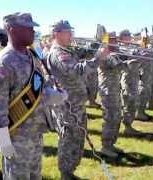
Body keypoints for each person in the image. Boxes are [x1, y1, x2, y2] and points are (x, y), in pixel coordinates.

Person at [0, 12, 66, 180]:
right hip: (15, 138)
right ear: (12, 30)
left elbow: (36, 88)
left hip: (35, 134)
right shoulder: (4, 62)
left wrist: (51, 95)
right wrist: (3, 141)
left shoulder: (32, 56)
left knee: (35, 176)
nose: (33, 31)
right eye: (28, 28)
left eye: (33, 28)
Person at [46, 20, 109, 179]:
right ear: (57, 34)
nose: (71, 35)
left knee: (77, 139)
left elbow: (84, 53)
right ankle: (65, 173)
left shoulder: (66, 50)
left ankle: (70, 171)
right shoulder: (58, 53)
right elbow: (75, 71)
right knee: (68, 140)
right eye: (68, 32)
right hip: (67, 107)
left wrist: (96, 43)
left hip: (75, 105)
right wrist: (98, 59)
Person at [118, 30, 145, 135]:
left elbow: (140, 61)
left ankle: (129, 125)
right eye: (128, 36)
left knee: (133, 103)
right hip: (127, 79)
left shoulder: (131, 47)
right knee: (128, 103)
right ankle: (127, 126)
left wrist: (142, 51)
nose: (130, 37)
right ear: (123, 37)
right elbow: (128, 59)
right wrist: (138, 54)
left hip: (134, 78)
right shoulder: (120, 48)